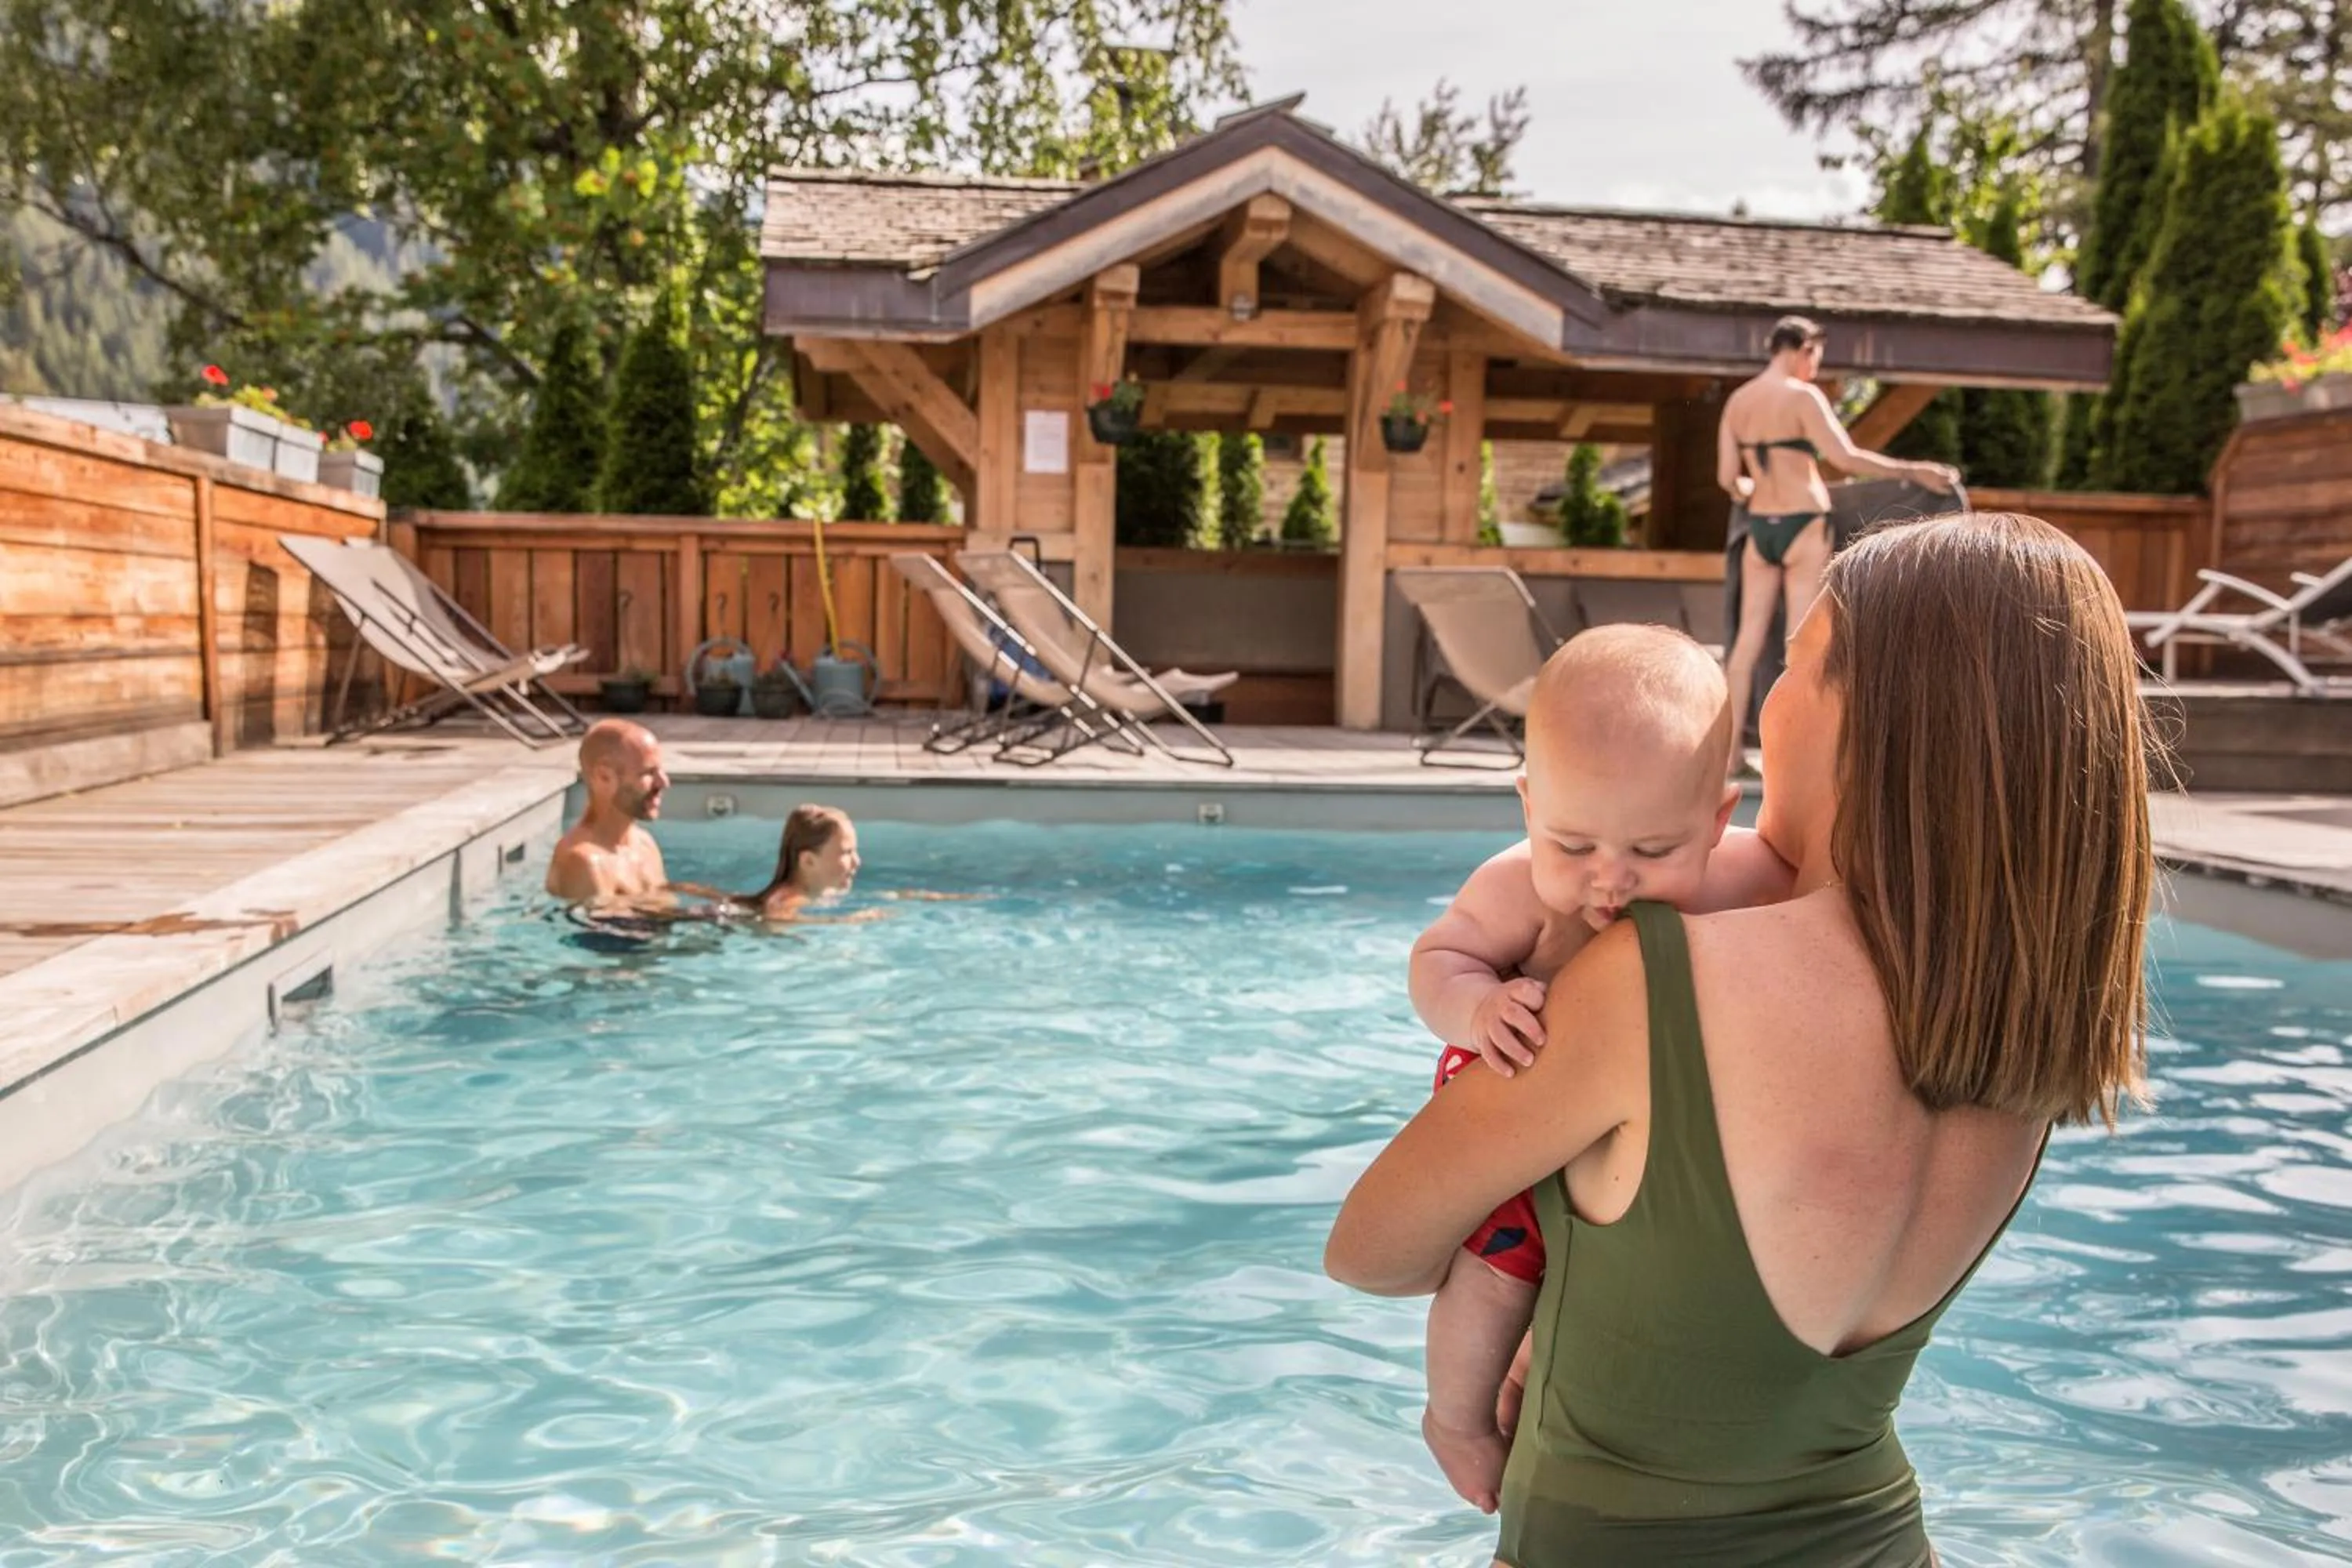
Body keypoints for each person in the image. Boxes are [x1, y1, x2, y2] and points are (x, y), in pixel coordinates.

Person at [1329, 514, 2155, 1566]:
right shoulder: (2028, 1025)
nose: (1762, 697)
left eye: (1794, 660)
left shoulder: (1656, 980)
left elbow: (1373, 1250)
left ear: (1872, 717)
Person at [1408, 624, 1793, 1514]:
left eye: (1653, 851)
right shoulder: (1513, 886)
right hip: (1517, 1091)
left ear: (1718, 819)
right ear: (1527, 804)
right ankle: (1457, 1416)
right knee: (1497, 1275)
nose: (1607, 879)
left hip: (1639, 1136)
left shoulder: (1750, 877)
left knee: (1607, 1292)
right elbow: (1437, 955)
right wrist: (1476, 1004)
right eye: (1572, 844)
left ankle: (1532, 1377)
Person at [1716, 316, 1960, 779]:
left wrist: (1755, 488)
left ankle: (1728, 757)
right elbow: (1844, 457)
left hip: (1759, 531)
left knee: (1745, 646)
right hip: (1805, 522)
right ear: (1802, 348)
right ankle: (1796, 757)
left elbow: (1728, 479)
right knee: (1801, 643)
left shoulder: (1738, 402)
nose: (1816, 369)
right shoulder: (1803, 396)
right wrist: (1914, 472)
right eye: (1817, 358)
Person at [546, 719, 673, 912]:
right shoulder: (584, 862)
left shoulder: (645, 844)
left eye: (661, 770)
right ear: (604, 777)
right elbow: (605, 939)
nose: (663, 782)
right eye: (648, 773)